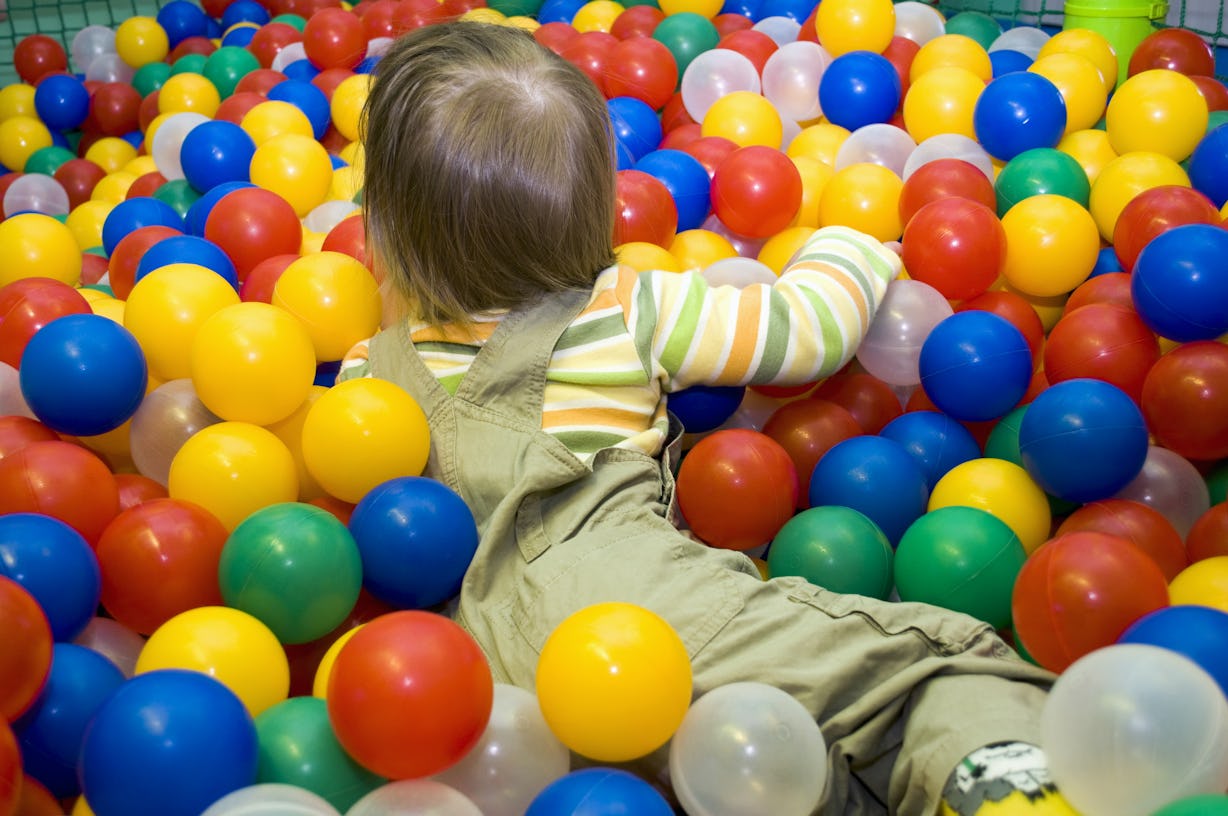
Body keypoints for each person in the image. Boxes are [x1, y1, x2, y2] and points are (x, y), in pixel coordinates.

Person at [340, 20, 1071, 816]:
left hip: (467, 689)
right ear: (597, 207)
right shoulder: (623, 307)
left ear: (387, 228)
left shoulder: (369, 370)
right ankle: (1013, 793)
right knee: (914, 683)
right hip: (636, 618)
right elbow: (804, 335)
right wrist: (852, 246)